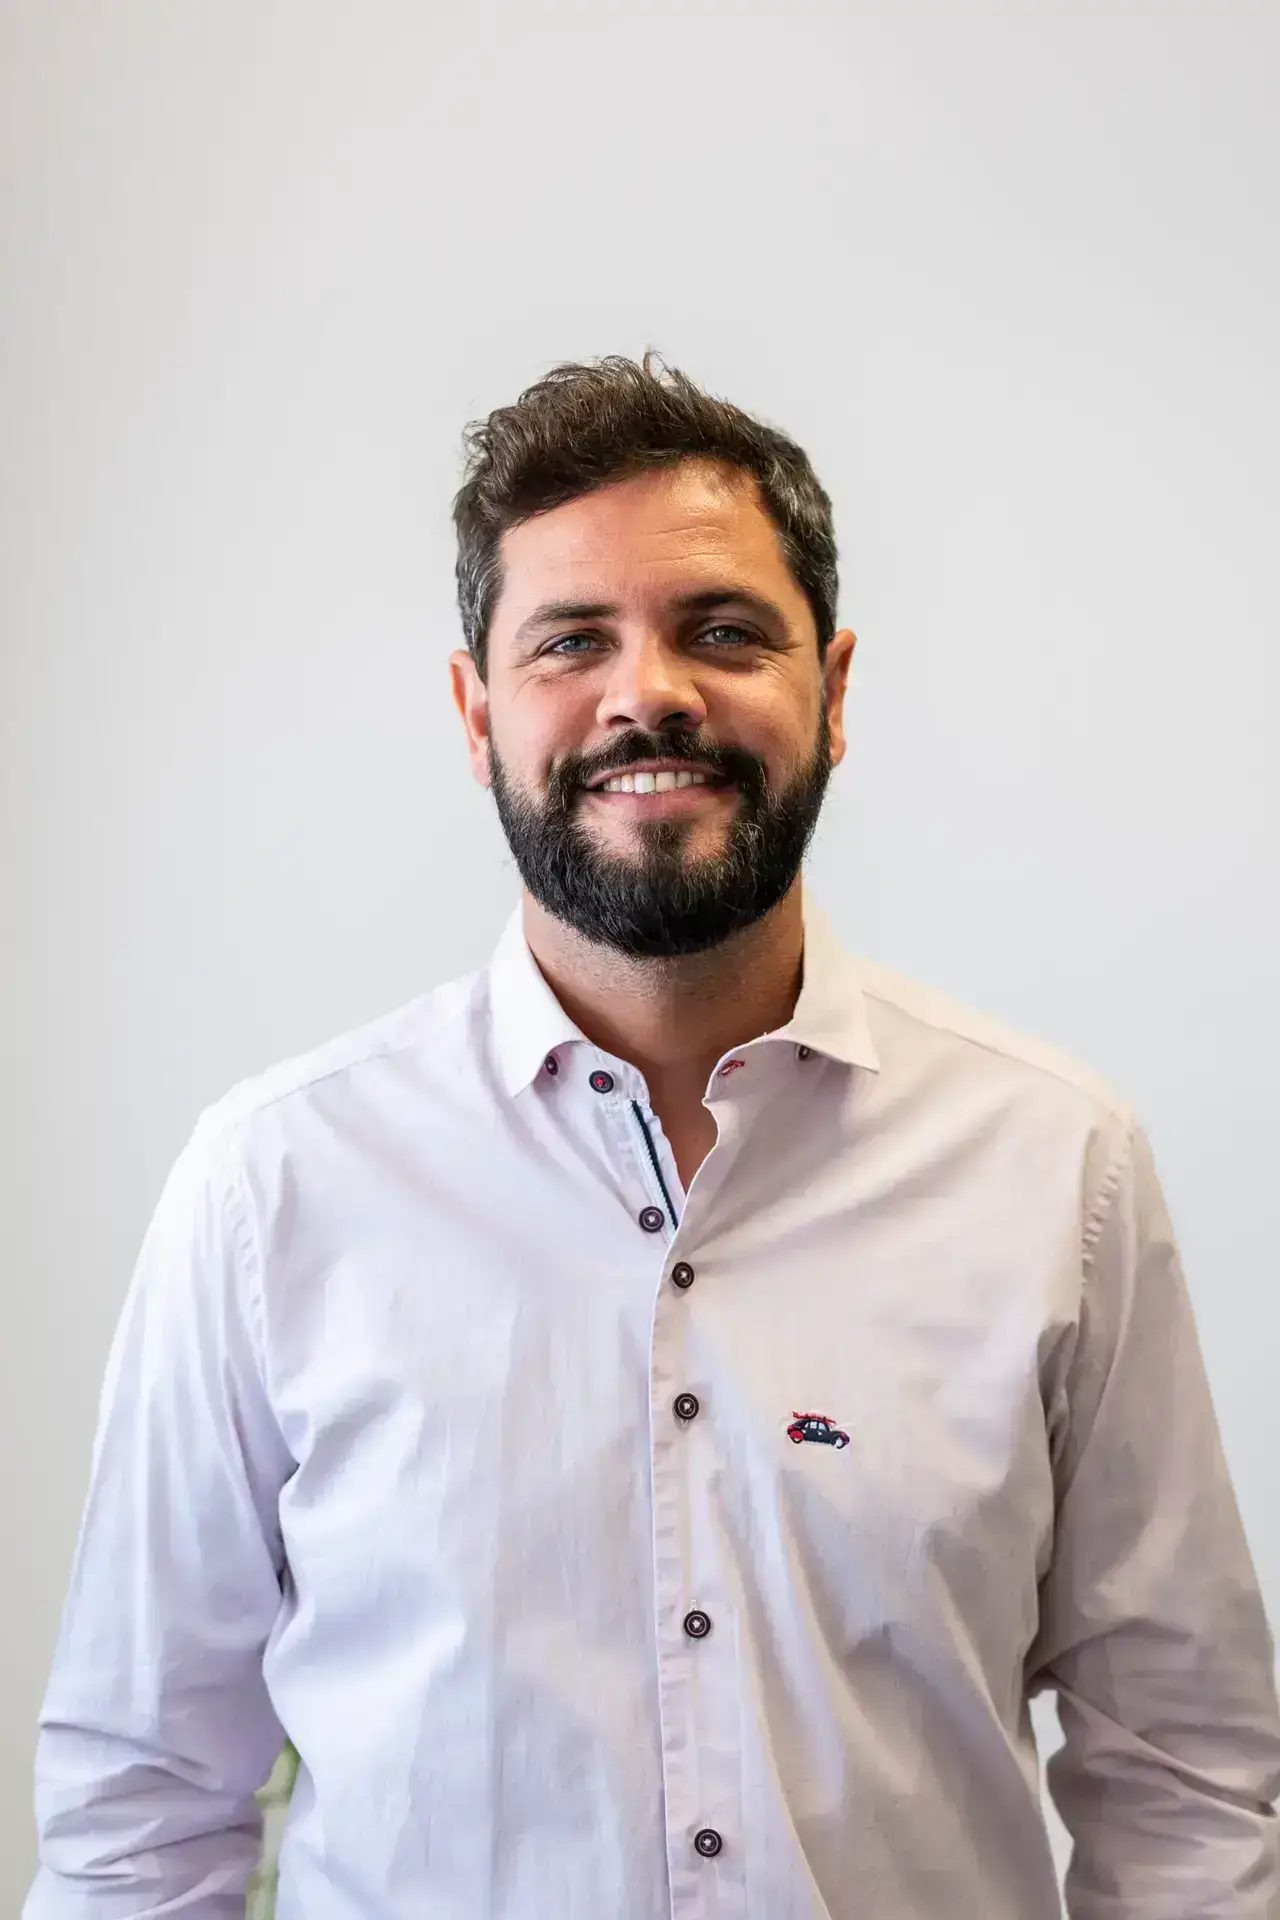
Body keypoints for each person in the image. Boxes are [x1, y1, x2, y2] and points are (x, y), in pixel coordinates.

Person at [24, 353, 1280, 1919]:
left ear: (834, 692)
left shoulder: (1056, 1170)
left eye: (723, 630)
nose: (650, 694)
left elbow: (1186, 1785)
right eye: (572, 641)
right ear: (477, 713)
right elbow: (140, 1817)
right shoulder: (271, 1190)